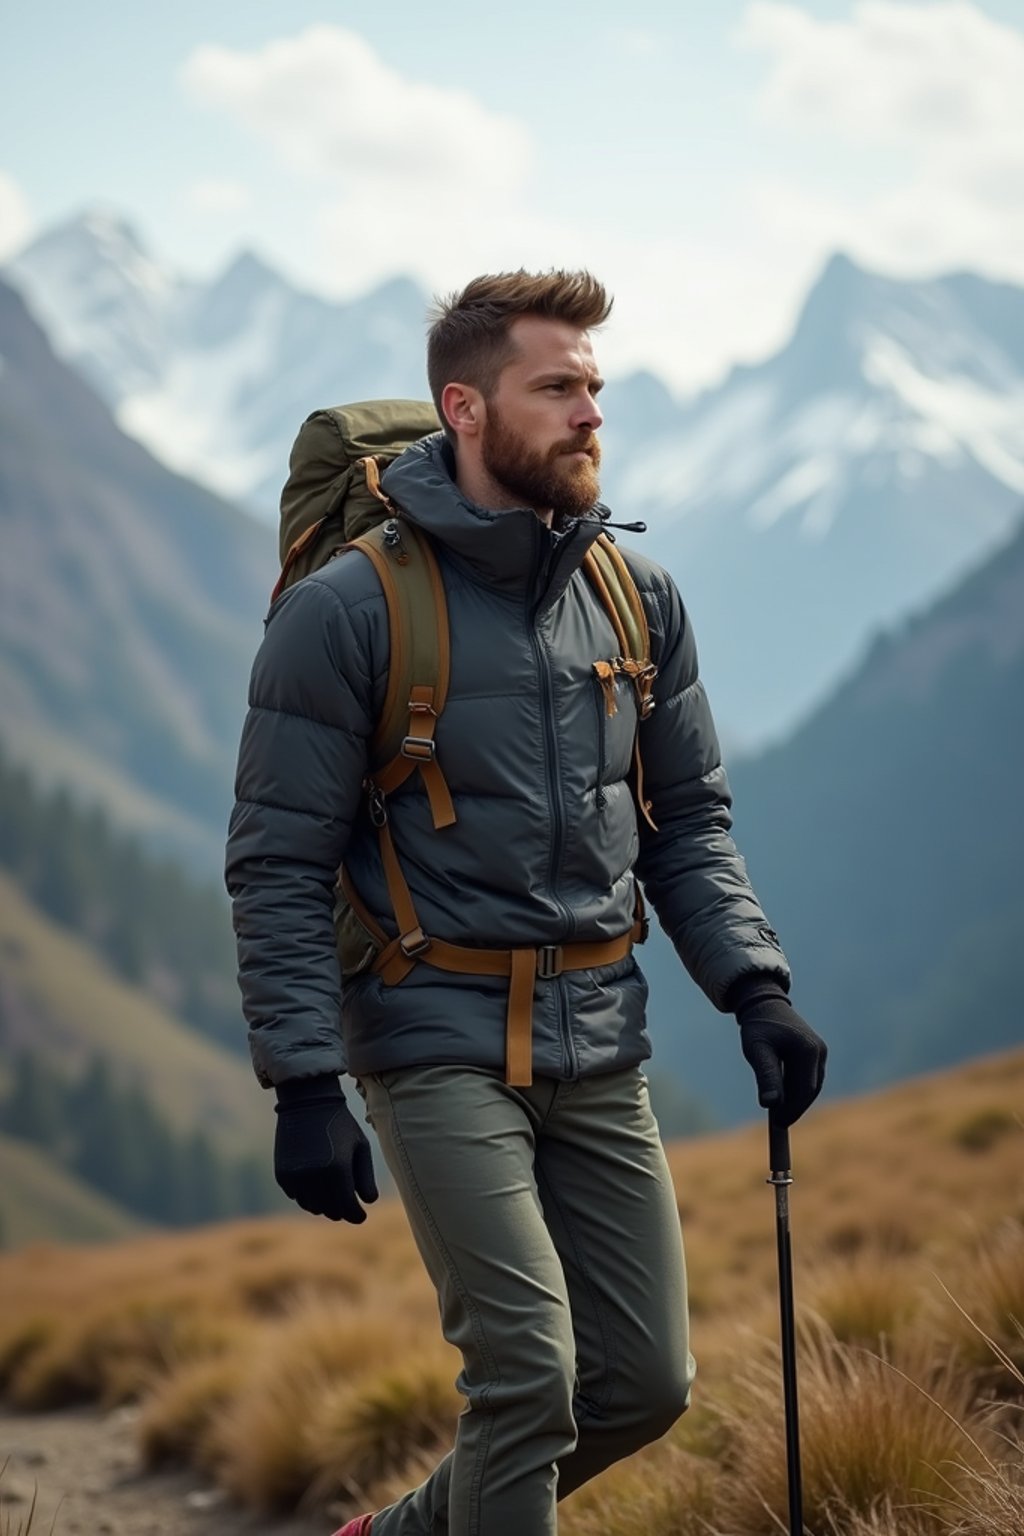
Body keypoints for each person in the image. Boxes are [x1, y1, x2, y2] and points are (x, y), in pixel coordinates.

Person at [225, 269, 827, 1536]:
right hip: (431, 1037)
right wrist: (302, 1081)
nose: (590, 413)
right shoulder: (349, 611)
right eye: (557, 388)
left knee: (645, 1384)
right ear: (466, 408)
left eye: (594, 387)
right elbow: (278, 862)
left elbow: (689, 824)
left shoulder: (634, 595)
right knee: (529, 1383)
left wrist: (753, 985)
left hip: (599, 1038)